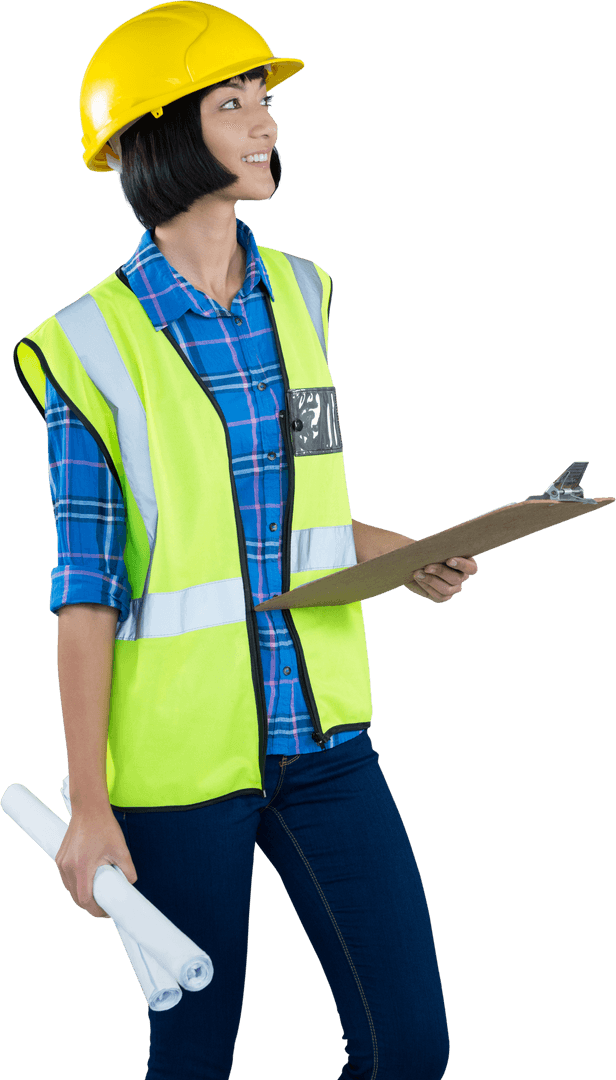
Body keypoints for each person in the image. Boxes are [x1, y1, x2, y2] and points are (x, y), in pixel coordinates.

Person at [14, 4, 478, 1078]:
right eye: (231, 105)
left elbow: (291, 510)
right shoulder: (89, 347)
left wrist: (399, 553)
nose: (264, 124)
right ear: (157, 139)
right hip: (179, 770)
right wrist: (91, 803)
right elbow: (87, 585)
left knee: (409, 1044)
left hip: (324, 740)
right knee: (195, 1052)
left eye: (262, 101)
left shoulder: (304, 296)